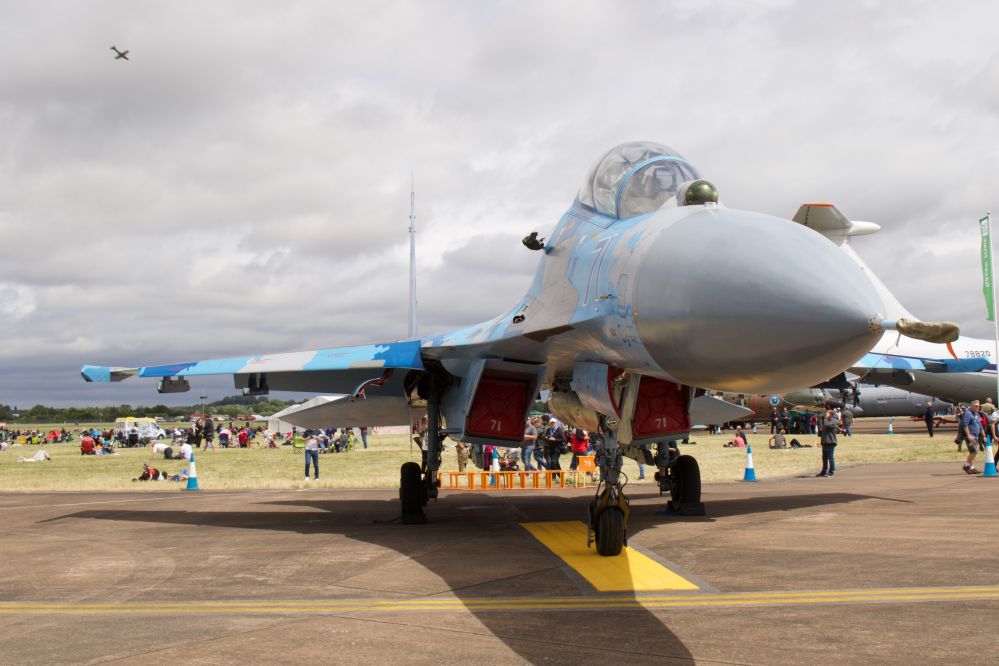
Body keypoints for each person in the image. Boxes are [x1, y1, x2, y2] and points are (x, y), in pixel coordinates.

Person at [960, 401, 983, 474]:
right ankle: (966, 466)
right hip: (970, 436)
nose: (978, 407)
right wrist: (969, 435)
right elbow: (965, 425)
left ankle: (972, 467)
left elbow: (980, 425)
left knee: (975, 452)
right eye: (976, 406)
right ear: (972, 406)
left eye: (978, 406)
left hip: (976, 436)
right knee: (974, 451)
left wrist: (984, 435)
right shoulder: (968, 414)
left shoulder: (977, 414)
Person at [816, 409, 838, 477]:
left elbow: (826, 425)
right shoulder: (825, 421)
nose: (825, 415)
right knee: (824, 458)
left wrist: (825, 418)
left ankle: (831, 471)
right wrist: (820, 418)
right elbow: (820, 427)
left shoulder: (833, 421)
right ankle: (824, 472)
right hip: (825, 441)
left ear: (830, 415)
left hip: (831, 441)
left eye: (827, 414)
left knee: (830, 458)